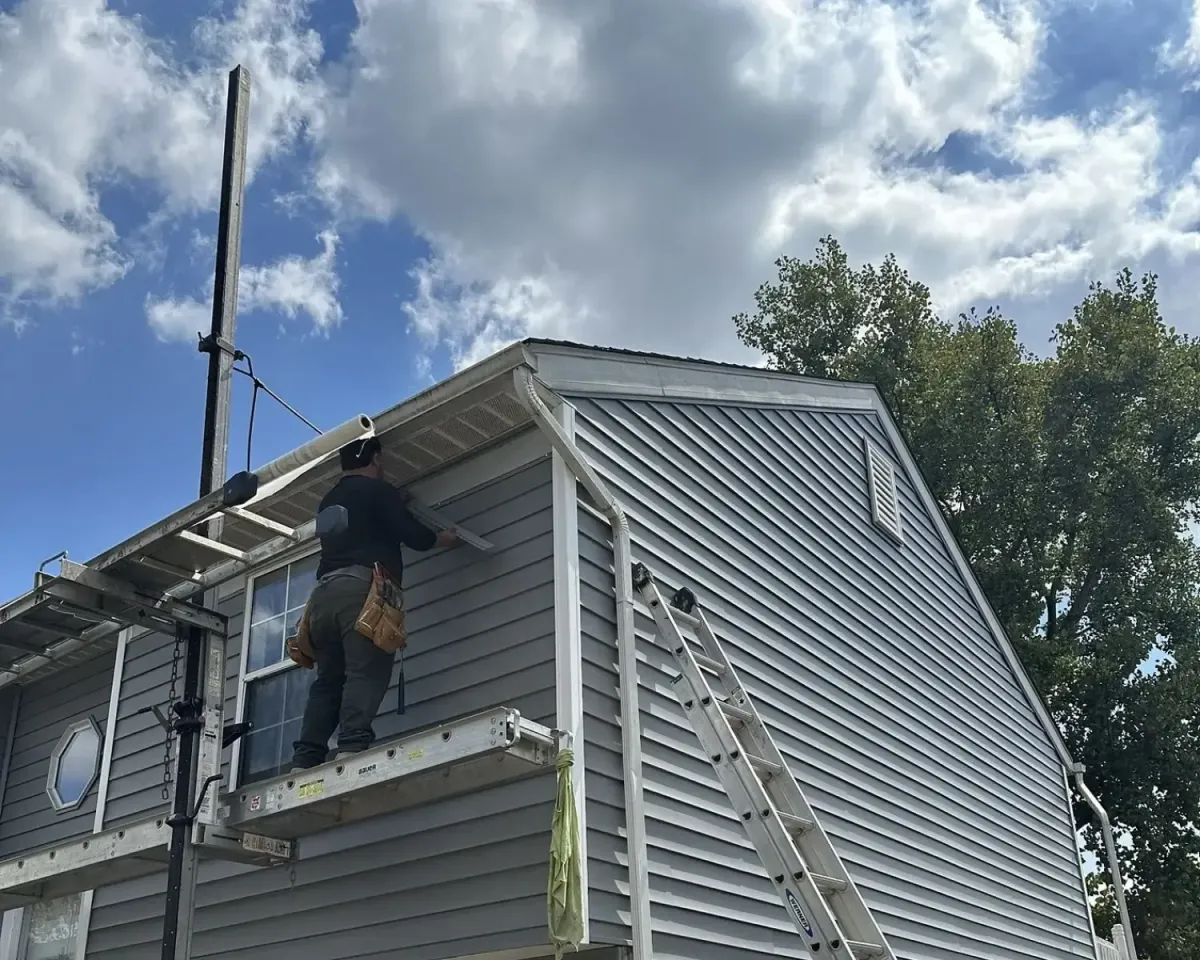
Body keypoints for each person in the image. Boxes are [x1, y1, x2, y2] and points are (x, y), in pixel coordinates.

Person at [290, 436, 459, 771]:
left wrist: (394, 501)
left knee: (329, 679)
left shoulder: (329, 499)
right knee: (365, 669)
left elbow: (365, 521)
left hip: (322, 598)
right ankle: (351, 746)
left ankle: (305, 758)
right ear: (377, 459)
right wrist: (441, 539)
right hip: (361, 589)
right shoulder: (377, 492)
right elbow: (411, 534)